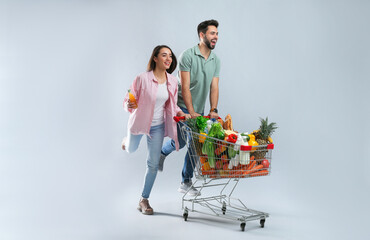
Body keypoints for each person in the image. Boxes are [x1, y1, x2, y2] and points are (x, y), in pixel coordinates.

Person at [122, 45, 190, 215]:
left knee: (153, 164)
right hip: (139, 123)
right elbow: (128, 100)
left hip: (157, 127)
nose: (168, 59)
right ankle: (126, 142)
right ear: (155, 58)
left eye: (170, 56)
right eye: (164, 55)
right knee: (131, 149)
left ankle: (144, 200)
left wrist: (181, 113)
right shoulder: (142, 78)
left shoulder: (172, 81)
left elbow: (172, 106)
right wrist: (128, 104)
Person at [159, 20, 221, 196]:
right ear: (202, 35)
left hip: (198, 109)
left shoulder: (216, 60)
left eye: (216, 33)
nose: (215, 36)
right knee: (189, 141)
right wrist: (190, 112)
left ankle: (178, 172)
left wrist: (213, 109)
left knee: (188, 142)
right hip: (181, 106)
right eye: (212, 33)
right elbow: (184, 87)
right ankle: (184, 180)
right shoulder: (187, 56)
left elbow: (214, 87)